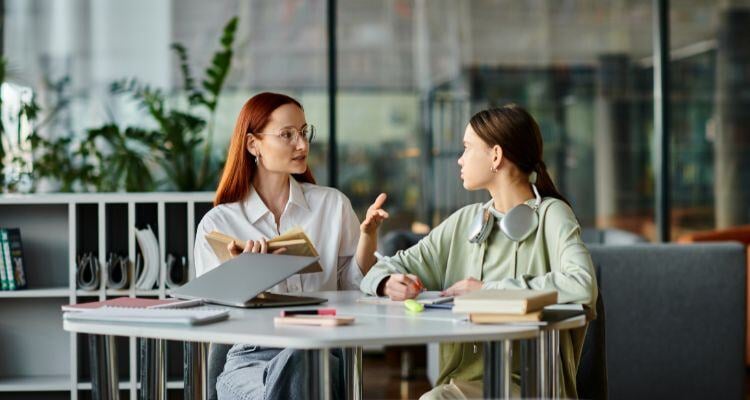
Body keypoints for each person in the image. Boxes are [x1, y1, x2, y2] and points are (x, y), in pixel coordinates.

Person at [360, 104, 597, 399]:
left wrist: (487, 290)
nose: (459, 160)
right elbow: (381, 269)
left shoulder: (553, 214)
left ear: (495, 155)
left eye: (467, 148)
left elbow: (582, 284)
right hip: (464, 382)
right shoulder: (465, 221)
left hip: (531, 385)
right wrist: (386, 283)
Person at [194, 92, 388, 400]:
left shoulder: (332, 205)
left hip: (320, 353)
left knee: (302, 359)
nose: (302, 144)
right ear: (252, 144)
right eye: (287, 135)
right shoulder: (218, 224)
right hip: (250, 359)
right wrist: (247, 277)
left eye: (303, 132)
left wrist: (368, 236)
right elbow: (211, 315)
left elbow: (354, 288)